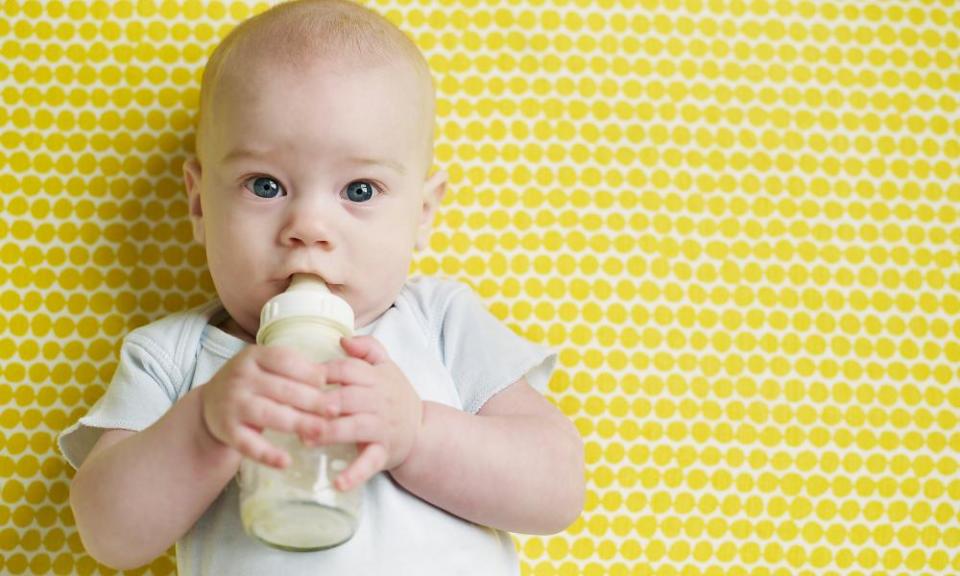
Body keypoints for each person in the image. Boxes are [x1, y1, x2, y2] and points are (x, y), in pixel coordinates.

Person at [58, 0, 585, 574]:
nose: (308, 228)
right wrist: (204, 426)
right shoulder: (174, 356)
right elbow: (108, 536)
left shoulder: (440, 322)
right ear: (200, 202)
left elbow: (557, 488)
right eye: (265, 185)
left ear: (423, 213)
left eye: (359, 190)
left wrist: (417, 433)